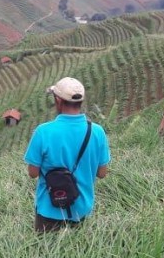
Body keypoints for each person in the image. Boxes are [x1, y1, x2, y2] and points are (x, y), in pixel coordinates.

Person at [24, 77, 110, 232]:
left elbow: (32, 173)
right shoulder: (97, 132)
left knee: (45, 254)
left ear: (58, 100)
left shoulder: (43, 132)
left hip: (48, 211)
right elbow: (102, 173)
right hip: (82, 210)